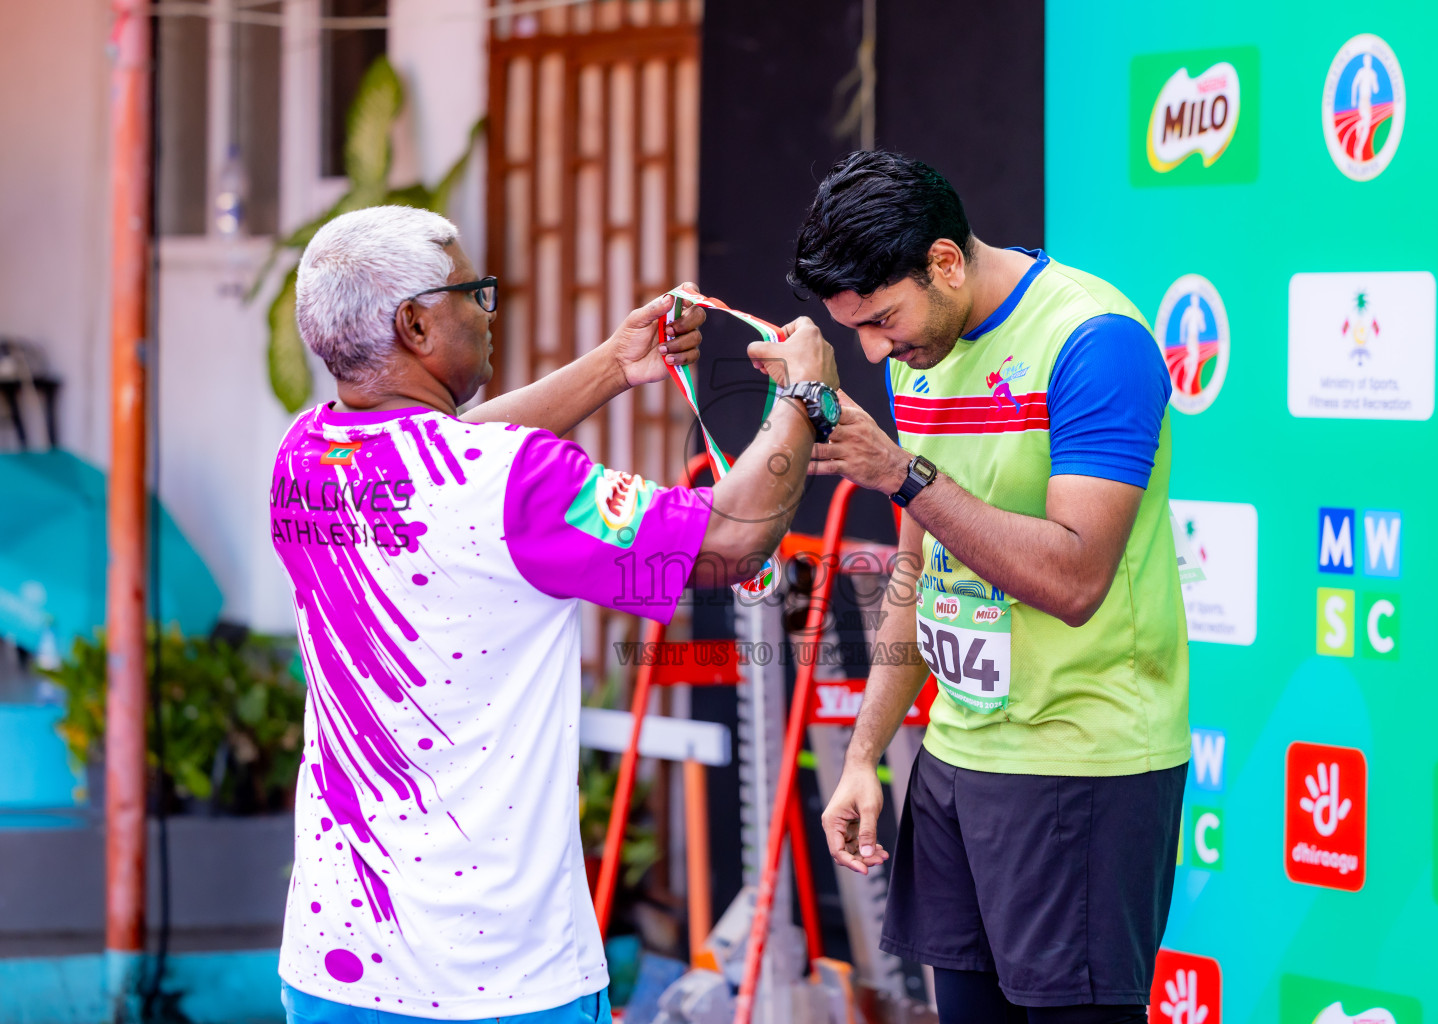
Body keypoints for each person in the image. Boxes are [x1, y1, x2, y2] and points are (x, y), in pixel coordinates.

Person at [270, 205, 842, 1023]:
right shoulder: (516, 483)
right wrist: (802, 394)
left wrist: (614, 366)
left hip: (336, 966)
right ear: (416, 325)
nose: (489, 312)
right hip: (503, 980)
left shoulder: (302, 458)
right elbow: (733, 539)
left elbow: (446, 451)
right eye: (477, 292)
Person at [801, 152, 1189, 1024]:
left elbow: (1075, 576)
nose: (873, 349)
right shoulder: (918, 350)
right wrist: (865, 756)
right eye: (854, 328)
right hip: (957, 759)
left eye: (882, 319)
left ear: (945, 262)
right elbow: (919, 562)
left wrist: (904, 473)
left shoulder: (1095, 341)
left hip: (1081, 762)